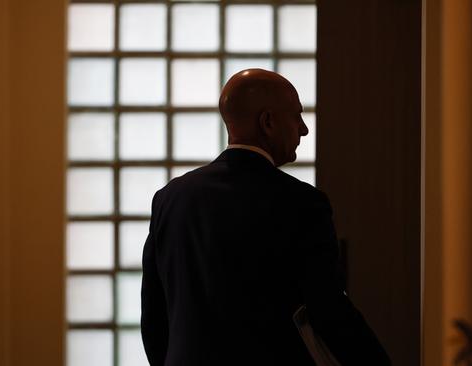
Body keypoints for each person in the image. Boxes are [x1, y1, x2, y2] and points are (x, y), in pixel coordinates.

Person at [141, 69, 390, 365]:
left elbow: (154, 313)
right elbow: (328, 310)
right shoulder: (301, 203)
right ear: (268, 121)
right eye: (297, 116)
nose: (303, 129)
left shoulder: (171, 198)